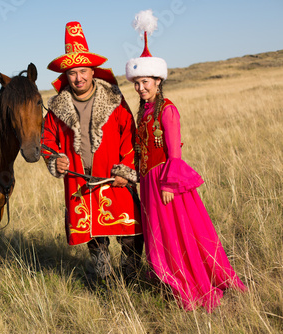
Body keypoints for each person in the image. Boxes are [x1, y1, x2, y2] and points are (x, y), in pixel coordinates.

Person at [126, 10, 246, 312]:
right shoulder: (143, 112)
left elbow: (174, 153)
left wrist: (168, 184)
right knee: (160, 237)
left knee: (179, 234)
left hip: (167, 183)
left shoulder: (168, 109)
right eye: (137, 83)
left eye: (145, 82)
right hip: (148, 185)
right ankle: (170, 280)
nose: (141, 88)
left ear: (157, 80)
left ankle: (193, 283)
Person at [42, 21, 143, 285]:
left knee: (131, 233)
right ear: (66, 75)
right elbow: (46, 139)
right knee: (95, 239)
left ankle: (132, 279)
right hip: (80, 181)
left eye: (84, 71)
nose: (79, 78)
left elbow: (130, 135)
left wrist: (125, 170)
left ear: (92, 71)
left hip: (113, 177)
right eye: (73, 73)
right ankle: (106, 283)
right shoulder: (57, 107)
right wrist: (55, 158)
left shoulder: (114, 100)